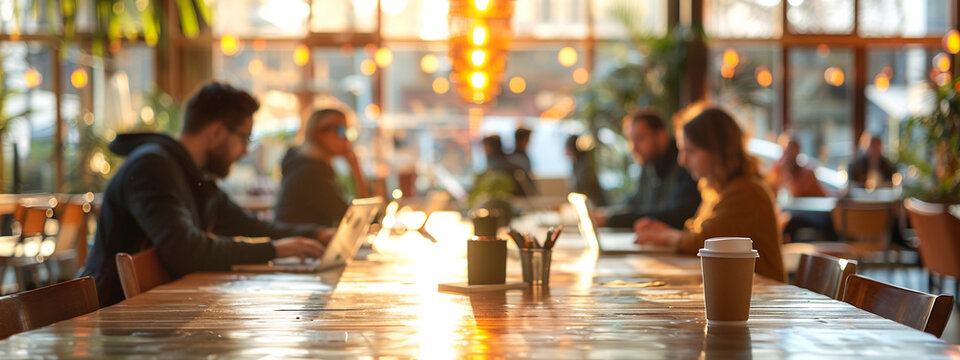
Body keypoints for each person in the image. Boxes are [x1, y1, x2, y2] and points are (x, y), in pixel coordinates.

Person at [81, 83, 331, 307]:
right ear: (216, 132)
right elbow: (186, 250)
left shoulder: (194, 176)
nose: (245, 151)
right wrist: (274, 250)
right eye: (245, 138)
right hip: (113, 316)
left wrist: (314, 234)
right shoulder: (151, 167)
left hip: (155, 310)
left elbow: (247, 225)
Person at [634, 107, 786, 282]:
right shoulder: (717, 192)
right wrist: (666, 231)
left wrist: (665, 236)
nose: (682, 160)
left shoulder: (747, 192)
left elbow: (705, 242)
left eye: (690, 151)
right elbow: (696, 234)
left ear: (717, 151)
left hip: (765, 300)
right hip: (746, 295)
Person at [595, 110, 700, 229]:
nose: (633, 148)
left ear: (661, 136)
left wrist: (610, 220)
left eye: (640, 138)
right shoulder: (649, 165)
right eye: (631, 140)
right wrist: (605, 215)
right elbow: (635, 204)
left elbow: (676, 216)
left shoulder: (686, 164)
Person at [275, 109, 369, 227]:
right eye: (342, 131)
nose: (346, 139)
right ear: (319, 134)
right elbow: (354, 217)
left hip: (304, 241)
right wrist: (355, 168)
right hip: (301, 243)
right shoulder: (311, 172)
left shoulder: (311, 166)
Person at [768, 135, 837, 242]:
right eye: (787, 150)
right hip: (793, 215)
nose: (789, 154)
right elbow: (770, 193)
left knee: (790, 221)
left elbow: (799, 195)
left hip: (813, 216)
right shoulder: (778, 171)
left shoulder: (806, 173)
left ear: (798, 151)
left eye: (792, 150)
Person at [565, 134, 607, 207]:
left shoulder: (586, 167)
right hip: (588, 207)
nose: (565, 153)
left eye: (567, 149)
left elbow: (583, 192)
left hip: (596, 208)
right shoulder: (576, 165)